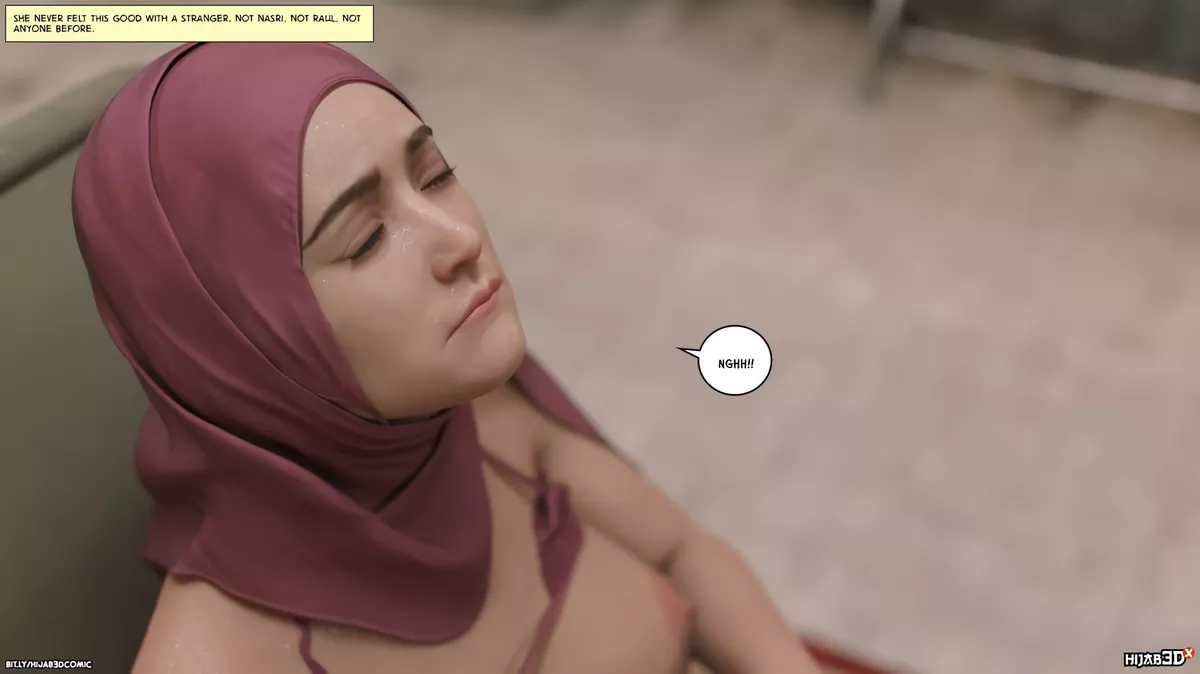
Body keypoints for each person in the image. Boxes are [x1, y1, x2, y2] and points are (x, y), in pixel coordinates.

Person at [71, 42, 819, 674]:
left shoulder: (480, 415)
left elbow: (683, 550)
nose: (459, 239)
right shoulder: (218, 658)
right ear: (243, 346)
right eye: (366, 238)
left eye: (434, 173)